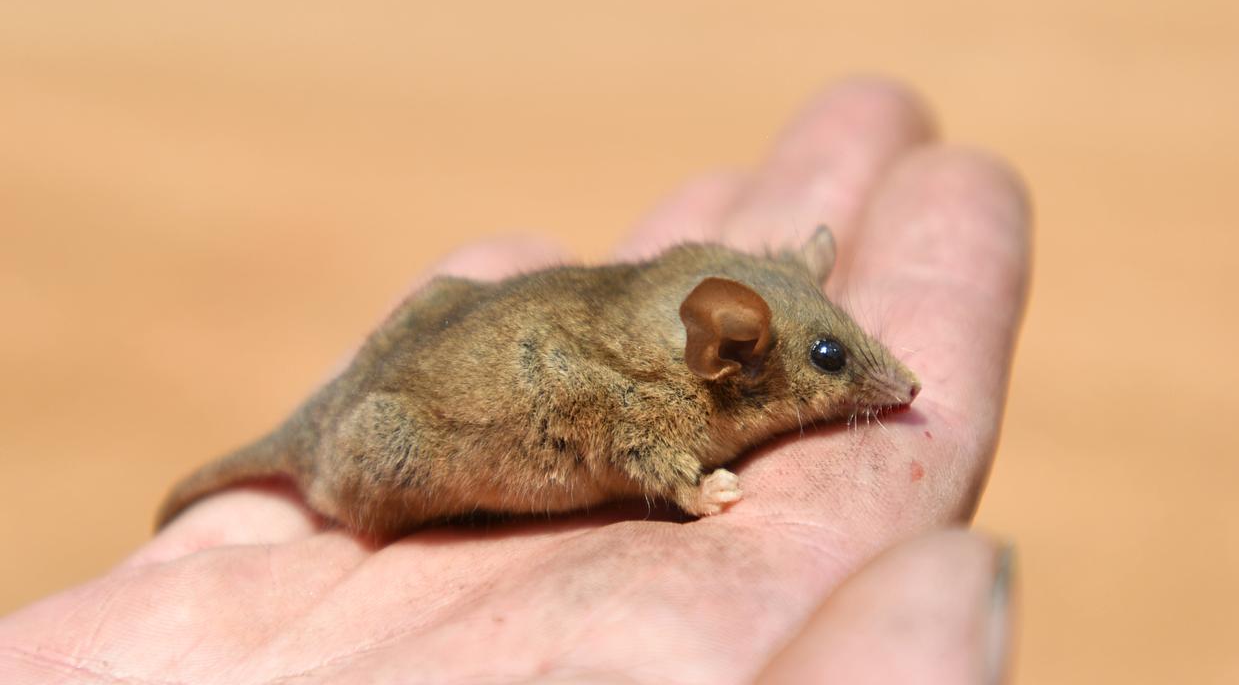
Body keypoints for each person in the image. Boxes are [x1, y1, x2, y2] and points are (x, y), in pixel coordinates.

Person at [0, 77, 1030, 684]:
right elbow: (617, 417)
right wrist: (682, 479)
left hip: (453, 359)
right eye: (826, 362)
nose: (880, 385)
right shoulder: (662, 392)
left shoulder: (692, 329)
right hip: (376, 453)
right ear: (724, 354)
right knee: (390, 438)